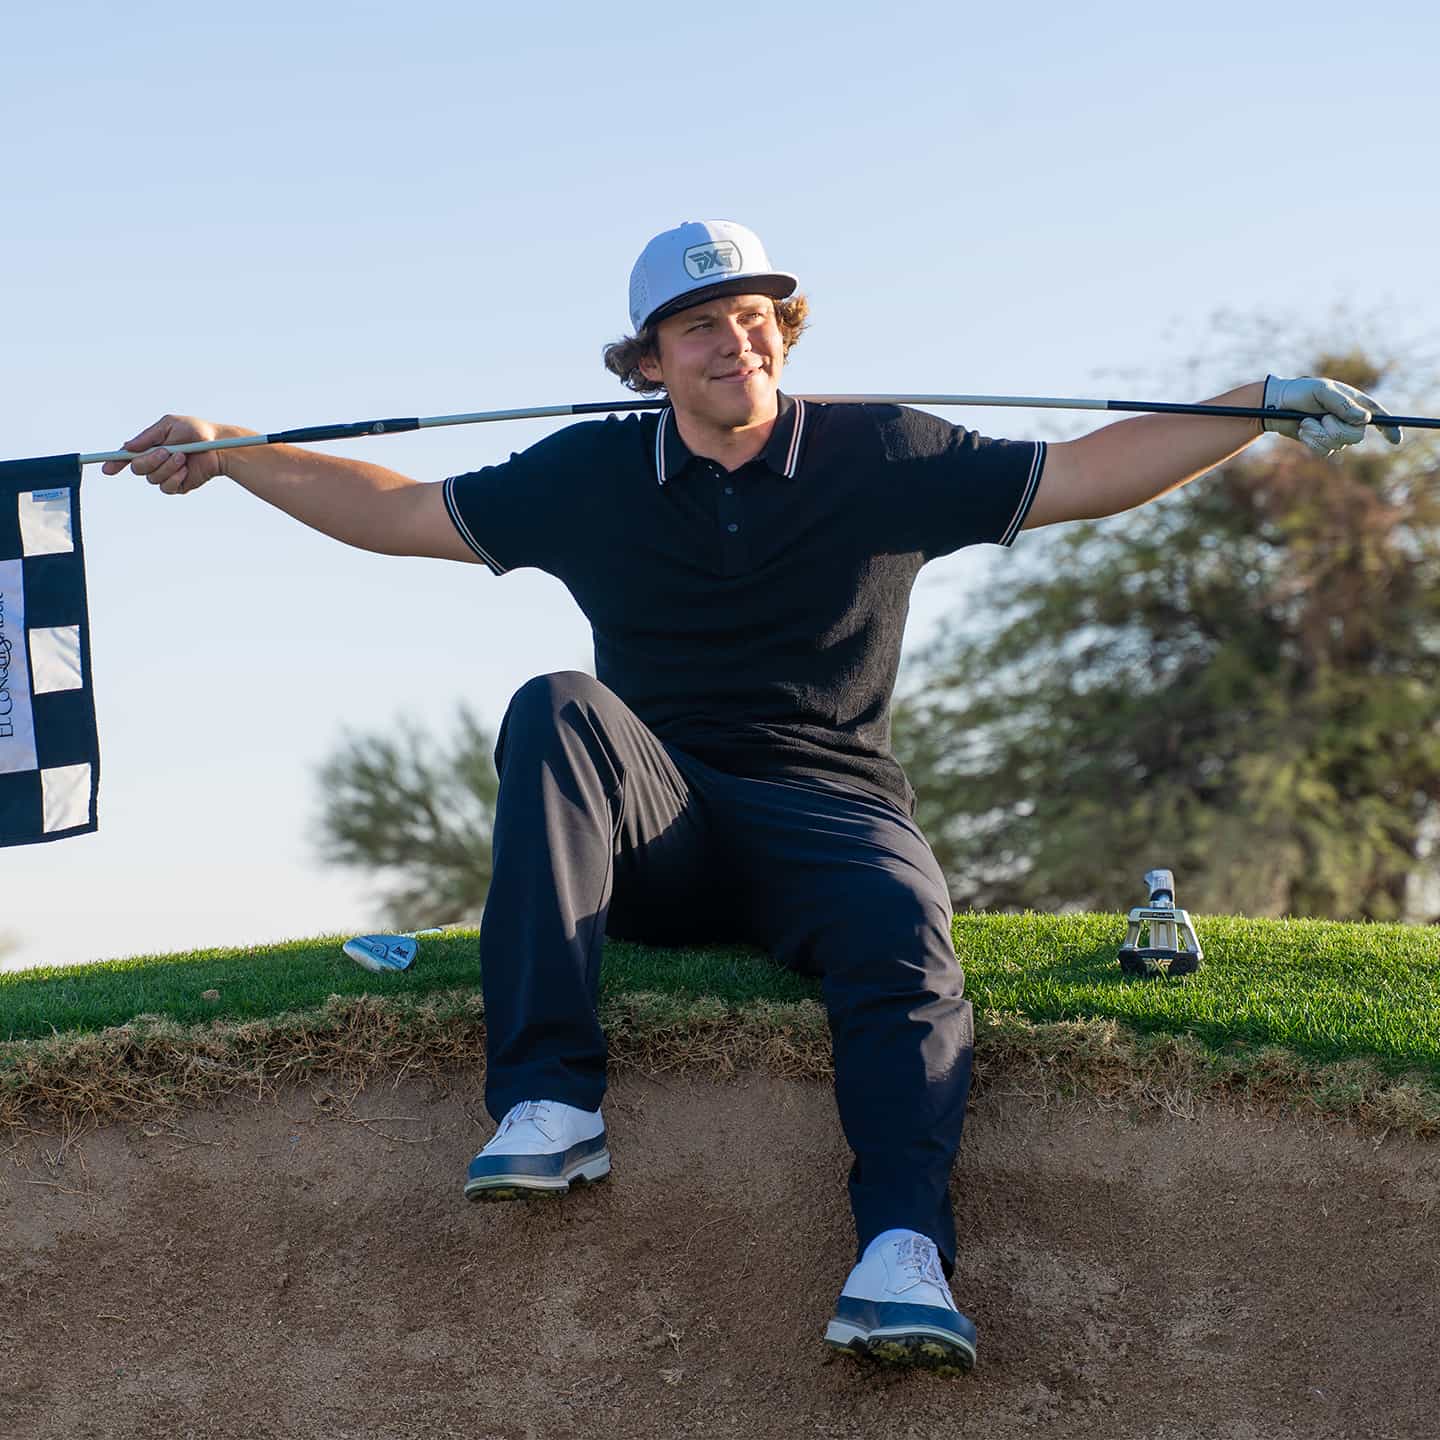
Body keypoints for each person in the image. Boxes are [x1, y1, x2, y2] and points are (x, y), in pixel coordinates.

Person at [105, 219, 1402, 1375]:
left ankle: (901, 1252)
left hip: (834, 814)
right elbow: (401, 511)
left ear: (784, 329)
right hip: (658, 823)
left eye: (753, 316)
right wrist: (237, 454)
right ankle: (551, 1103)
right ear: (648, 360)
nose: (735, 343)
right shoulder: (593, 472)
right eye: (699, 328)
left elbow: (1081, 472)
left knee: (904, 922)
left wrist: (1255, 408)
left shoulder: (883, 450)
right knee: (556, 704)